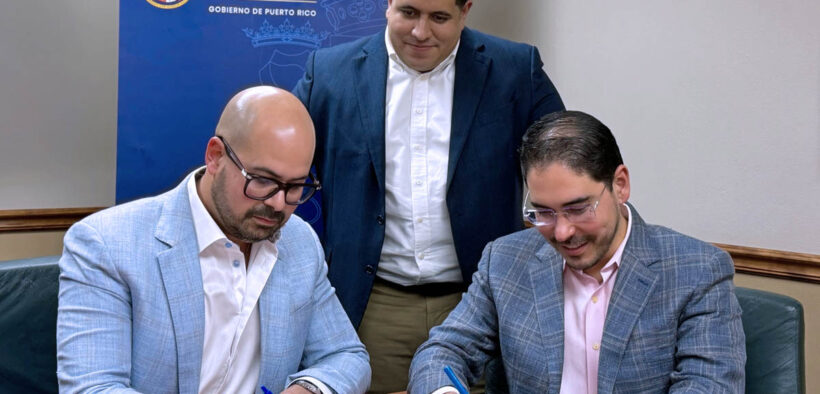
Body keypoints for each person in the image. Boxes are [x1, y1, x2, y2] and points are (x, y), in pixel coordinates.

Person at [292, 0, 564, 390]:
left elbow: (567, 161)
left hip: (480, 306)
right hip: (373, 306)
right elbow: (278, 161)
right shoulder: (330, 73)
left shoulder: (515, 70)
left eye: (439, 18)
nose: (421, 32)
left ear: (465, 11)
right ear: (388, 4)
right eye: (408, 13)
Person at [56, 86, 370, 393]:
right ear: (216, 156)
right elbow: (93, 387)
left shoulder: (299, 241)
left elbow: (346, 357)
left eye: (296, 186)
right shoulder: (107, 244)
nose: (278, 204)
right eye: (262, 180)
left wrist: (307, 390)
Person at [408, 111, 746, 393]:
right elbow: (442, 351)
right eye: (543, 212)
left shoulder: (697, 270)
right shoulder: (506, 260)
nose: (561, 232)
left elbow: (709, 386)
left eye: (578, 209)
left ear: (620, 185)